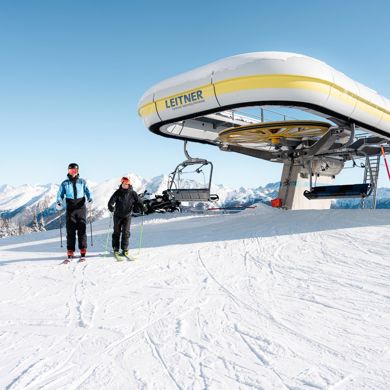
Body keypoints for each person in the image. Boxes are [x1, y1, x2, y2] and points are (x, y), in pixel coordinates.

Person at [57, 163, 93, 262]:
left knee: (82, 229)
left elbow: (88, 191)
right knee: (70, 230)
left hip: (81, 208)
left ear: (77, 171)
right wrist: (59, 202)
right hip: (70, 208)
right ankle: (70, 250)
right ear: (68, 171)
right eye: (71, 171)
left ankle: (82, 249)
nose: (73, 173)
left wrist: (90, 198)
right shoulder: (65, 183)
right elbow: (60, 194)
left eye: (75, 171)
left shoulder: (82, 182)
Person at [107, 176, 143, 257]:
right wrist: (110, 206)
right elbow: (111, 201)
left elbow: (139, 201)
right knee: (117, 232)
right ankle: (116, 248)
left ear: (129, 184)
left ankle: (125, 249)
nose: (125, 185)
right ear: (122, 184)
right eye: (123, 183)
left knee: (126, 232)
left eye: (126, 183)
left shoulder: (133, 193)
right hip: (117, 216)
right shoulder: (117, 192)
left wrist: (142, 207)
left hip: (127, 216)